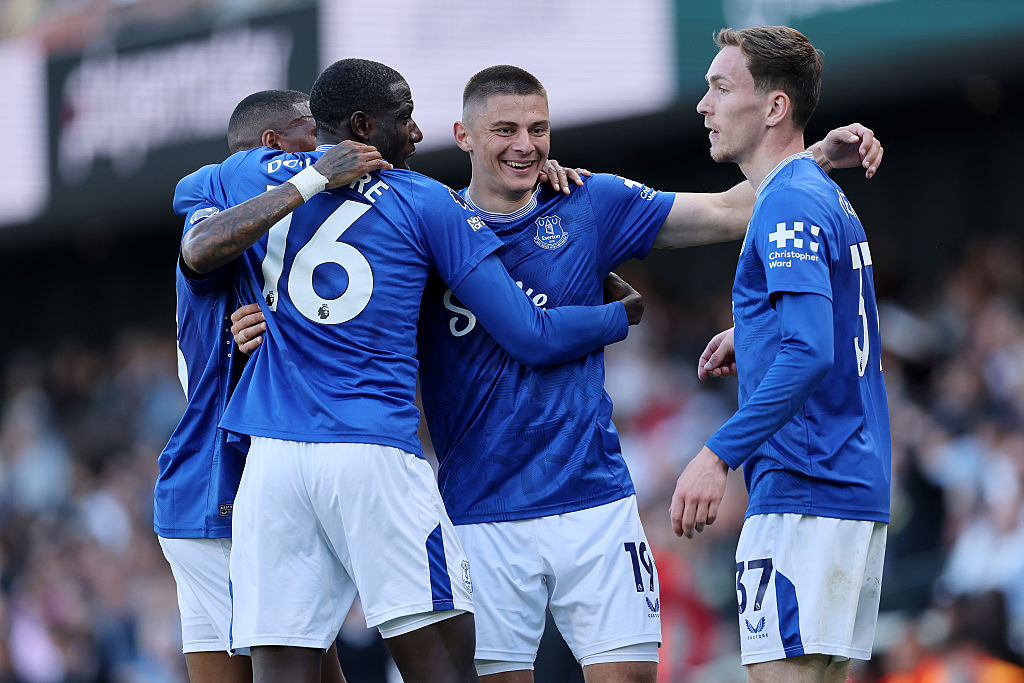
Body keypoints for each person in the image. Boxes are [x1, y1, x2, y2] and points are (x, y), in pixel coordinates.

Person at [229, 65, 882, 682]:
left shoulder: (590, 201)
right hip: (479, 509)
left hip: (594, 499)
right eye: (505, 130)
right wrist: (258, 322)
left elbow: (727, 210)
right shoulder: (430, 224)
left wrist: (810, 159)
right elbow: (341, 296)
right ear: (464, 137)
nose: (526, 145)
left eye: (538, 129)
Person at [178, 58, 643, 683]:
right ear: (364, 126)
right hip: (372, 453)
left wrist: (309, 180)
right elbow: (528, 334)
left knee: (285, 670)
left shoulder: (249, 172)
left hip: (272, 462)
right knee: (447, 667)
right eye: (405, 117)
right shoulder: (424, 199)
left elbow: (190, 216)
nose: (417, 132)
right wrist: (619, 315)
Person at [669, 26, 890, 683]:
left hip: (805, 488)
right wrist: (755, 332)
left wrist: (718, 454)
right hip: (846, 485)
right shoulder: (815, 192)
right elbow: (824, 321)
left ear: (773, 107)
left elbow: (811, 351)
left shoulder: (788, 201)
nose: (704, 105)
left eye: (720, 87)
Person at [158, 89, 347, 683]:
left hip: (200, 496)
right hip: (222, 493)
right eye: (312, 132)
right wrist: (313, 179)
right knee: (309, 667)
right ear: (272, 147)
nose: (323, 146)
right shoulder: (216, 211)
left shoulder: (268, 247)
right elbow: (200, 244)